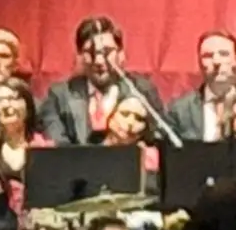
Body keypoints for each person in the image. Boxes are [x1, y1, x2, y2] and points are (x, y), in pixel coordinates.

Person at [36, 17, 164, 146]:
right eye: (89, 52)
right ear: (79, 56)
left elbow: (158, 139)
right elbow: (57, 149)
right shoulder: (59, 96)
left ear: (121, 53)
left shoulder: (142, 91)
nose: (99, 61)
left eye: (107, 52)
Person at [162, 30, 236, 142]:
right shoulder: (180, 110)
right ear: (199, 63)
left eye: (224, 54)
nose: (216, 61)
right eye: (208, 56)